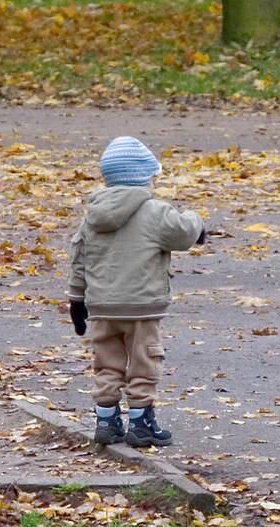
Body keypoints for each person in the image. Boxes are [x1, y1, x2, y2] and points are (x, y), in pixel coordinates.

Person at [67, 136, 207, 447]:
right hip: (142, 307)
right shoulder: (155, 210)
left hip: (102, 307)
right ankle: (142, 423)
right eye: (154, 175)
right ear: (144, 177)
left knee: (106, 363)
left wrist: (77, 298)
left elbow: (79, 257)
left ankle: (106, 421)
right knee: (144, 362)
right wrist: (198, 223)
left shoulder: (93, 214)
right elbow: (183, 234)